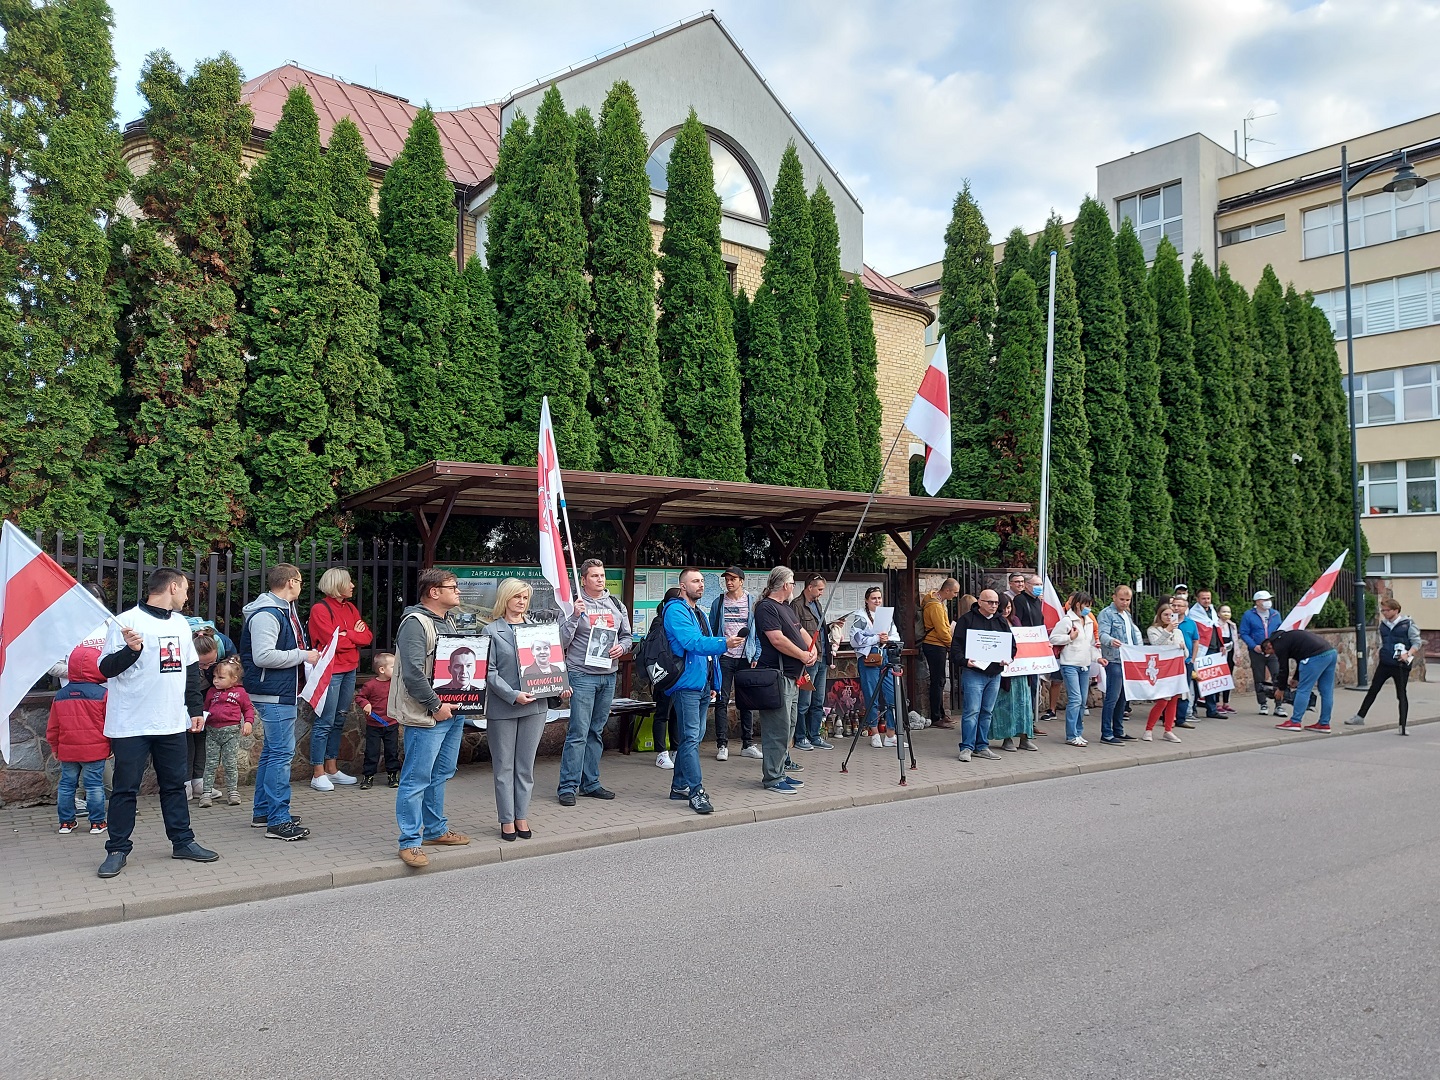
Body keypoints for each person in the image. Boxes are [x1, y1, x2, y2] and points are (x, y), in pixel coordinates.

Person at [96, 568, 220, 878]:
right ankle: (117, 849)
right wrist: (131, 650)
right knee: (125, 789)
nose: (187, 596)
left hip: (171, 721)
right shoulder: (126, 622)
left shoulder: (180, 624)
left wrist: (195, 708)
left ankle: (183, 841)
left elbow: (190, 671)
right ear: (173, 587)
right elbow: (106, 669)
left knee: (175, 786)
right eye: (186, 589)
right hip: (131, 724)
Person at [391, 569, 472, 866]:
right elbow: (413, 673)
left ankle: (436, 830)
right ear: (434, 592)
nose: (458, 591)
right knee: (416, 779)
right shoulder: (415, 623)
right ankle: (410, 842)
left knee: (441, 773)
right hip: (429, 714)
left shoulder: (447, 620)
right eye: (453, 587)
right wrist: (435, 705)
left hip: (452, 711)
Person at [485, 579, 570, 837]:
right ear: (505, 598)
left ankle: (521, 815)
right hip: (504, 707)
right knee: (504, 767)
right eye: (517, 597)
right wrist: (513, 695)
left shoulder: (538, 630)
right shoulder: (491, 631)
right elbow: (489, 672)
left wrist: (560, 686)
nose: (522, 602)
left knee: (525, 766)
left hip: (535, 707)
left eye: (525, 598)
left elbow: (552, 663)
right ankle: (506, 819)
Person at [241, 564, 319, 839]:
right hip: (274, 693)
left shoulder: (281, 610)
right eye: (300, 581)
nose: (301, 586)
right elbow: (263, 656)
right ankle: (278, 821)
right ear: (290, 582)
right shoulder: (268, 614)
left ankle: (264, 812)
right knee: (280, 755)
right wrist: (303, 655)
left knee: (272, 753)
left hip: (278, 691)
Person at [662, 568, 738, 815]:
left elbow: (708, 656)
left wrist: (714, 683)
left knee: (693, 737)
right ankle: (696, 792)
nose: (701, 584)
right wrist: (724, 642)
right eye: (695, 581)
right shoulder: (675, 610)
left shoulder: (699, 612)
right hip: (686, 685)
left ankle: (679, 786)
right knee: (691, 738)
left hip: (702, 684)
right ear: (683, 586)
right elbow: (692, 643)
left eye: (703, 581)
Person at [557, 558, 632, 804]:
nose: (600, 579)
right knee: (578, 732)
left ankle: (590, 783)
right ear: (583, 580)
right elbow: (560, 642)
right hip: (581, 675)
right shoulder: (573, 605)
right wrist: (574, 616)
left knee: (596, 731)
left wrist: (622, 647)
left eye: (602, 575)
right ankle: (568, 786)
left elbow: (627, 636)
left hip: (608, 676)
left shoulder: (616, 604)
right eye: (594, 576)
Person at [306, 568, 373, 792]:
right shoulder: (320, 609)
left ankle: (332, 768)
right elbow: (332, 642)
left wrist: (348, 634)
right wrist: (350, 635)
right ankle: (318, 773)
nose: (353, 585)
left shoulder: (350, 608)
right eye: (349, 582)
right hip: (331, 671)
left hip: (350, 669)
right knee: (325, 721)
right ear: (337, 585)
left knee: (339, 718)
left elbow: (367, 637)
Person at [755, 567, 814, 794]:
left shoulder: (787, 607)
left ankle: (780, 770)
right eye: (793, 582)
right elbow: (777, 640)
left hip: (793, 676)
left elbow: (801, 632)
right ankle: (772, 777)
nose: (794, 586)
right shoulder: (766, 607)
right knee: (776, 728)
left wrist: (812, 650)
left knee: (788, 726)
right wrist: (802, 655)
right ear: (785, 585)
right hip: (777, 676)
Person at [47, 640, 110, 835]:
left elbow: (53, 726)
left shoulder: (60, 695)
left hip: (68, 750)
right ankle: (97, 823)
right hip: (95, 750)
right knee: (94, 786)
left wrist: (54, 747)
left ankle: (66, 823)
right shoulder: (103, 694)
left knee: (66, 786)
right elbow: (109, 723)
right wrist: (112, 746)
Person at [1347, 597, 1423, 734]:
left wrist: (1408, 654)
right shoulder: (1383, 625)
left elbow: (1416, 642)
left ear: (1395, 610)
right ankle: (1360, 717)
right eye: (1383, 610)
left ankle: (1402, 725)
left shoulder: (1408, 624)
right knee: (1373, 689)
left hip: (1400, 664)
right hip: (1385, 663)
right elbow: (1382, 641)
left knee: (1401, 694)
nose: (1384, 613)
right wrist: (1379, 651)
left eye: (1386, 610)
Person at [708, 566, 761, 761]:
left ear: (741, 581)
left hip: (746, 657)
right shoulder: (719, 602)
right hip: (724, 657)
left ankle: (747, 744)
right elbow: (712, 629)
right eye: (727, 579)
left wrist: (756, 655)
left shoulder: (752, 602)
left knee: (746, 701)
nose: (729, 582)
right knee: (721, 700)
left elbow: (757, 631)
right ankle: (722, 744)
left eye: (733, 579)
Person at [956, 589, 1014, 761]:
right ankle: (967, 747)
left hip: (994, 674)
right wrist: (965, 661)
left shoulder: (1001, 621)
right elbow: (956, 646)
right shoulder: (967, 620)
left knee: (987, 711)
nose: (994, 606)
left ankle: (982, 746)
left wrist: (1008, 658)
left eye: (996, 603)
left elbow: (1011, 645)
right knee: (972, 711)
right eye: (990, 602)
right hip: (974, 672)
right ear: (980, 602)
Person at [199, 657, 254, 808]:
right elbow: (205, 708)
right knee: (210, 764)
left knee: (230, 763)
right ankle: (206, 793)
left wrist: (248, 722)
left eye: (221, 677)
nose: (215, 680)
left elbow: (248, 709)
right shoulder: (212, 692)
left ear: (234, 679)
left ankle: (232, 792)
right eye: (215, 677)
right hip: (212, 733)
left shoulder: (240, 693)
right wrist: (201, 720)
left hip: (231, 734)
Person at [1050, 591, 1103, 747]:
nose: (1088, 609)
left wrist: (1098, 658)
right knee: (1075, 699)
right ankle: (1071, 734)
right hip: (1070, 664)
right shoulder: (1067, 620)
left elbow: (1090, 645)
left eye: (1090, 605)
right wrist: (1069, 638)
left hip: (1084, 664)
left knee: (1082, 700)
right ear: (1078, 605)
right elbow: (1053, 638)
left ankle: (1078, 732)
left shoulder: (1089, 622)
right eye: (1086, 605)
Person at [1264, 628, 1338, 732]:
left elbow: (1283, 669)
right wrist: (1296, 678)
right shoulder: (1289, 637)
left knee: (1303, 690)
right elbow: (1300, 656)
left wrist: (1281, 689)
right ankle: (1324, 723)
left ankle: (1295, 721)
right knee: (1327, 691)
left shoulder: (1278, 645)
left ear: (1269, 646)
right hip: (1330, 653)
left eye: (1270, 653)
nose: (1273, 654)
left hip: (1315, 657)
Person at [851, 585, 898, 748]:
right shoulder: (861, 617)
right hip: (869, 658)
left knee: (892, 695)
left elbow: (896, 635)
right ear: (867, 600)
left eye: (879, 598)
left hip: (886, 656)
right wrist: (876, 638)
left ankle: (891, 733)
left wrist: (887, 639)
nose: (877, 601)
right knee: (871, 695)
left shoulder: (886, 615)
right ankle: (874, 732)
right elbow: (855, 640)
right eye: (873, 598)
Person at [791, 574, 833, 751]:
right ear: (810, 587)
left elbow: (818, 630)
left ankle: (815, 736)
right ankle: (800, 737)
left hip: (822, 657)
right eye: (820, 589)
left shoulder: (817, 604)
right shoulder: (797, 605)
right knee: (804, 702)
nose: (822, 592)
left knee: (818, 701)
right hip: (808, 660)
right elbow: (793, 632)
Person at [989, 595, 1036, 752]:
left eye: (1009, 607)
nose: (1006, 611)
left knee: (1024, 705)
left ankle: (1025, 737)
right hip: (1005, 673)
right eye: (1004, 608)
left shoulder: (1016, 621)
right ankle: (1007, 738)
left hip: (1021, 672)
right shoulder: (995, 622)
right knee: (1005, 706)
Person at [1097, 585, 1143, 744]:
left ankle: (1118, 730)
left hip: (1127, 660)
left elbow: (1132, 636)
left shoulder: (1127, 615)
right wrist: (1110, 641)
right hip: (1114, 659)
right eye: (1122, 599)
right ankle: (1106, 733)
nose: (1125, 602)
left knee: (1124, 697)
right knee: (1113, 697)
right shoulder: (1107, 613)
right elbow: (1102, 634)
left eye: (1128, 600)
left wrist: (1137, 651)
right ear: (1114, 597)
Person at [354, 652, 400, 789]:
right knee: (371, 752)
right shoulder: (371, 685)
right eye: (393, 667)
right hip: (374, 724)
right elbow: (359, 697)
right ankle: (368, 776)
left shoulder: (396, 684)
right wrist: (366, 704)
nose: (396, 669)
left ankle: (393, 775)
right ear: (382, 669)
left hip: (391, 724)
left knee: (392, 751)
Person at [920, 577, 959, 728]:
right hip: (935, 645)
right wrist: (951, 645)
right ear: (947, 590)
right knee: (938, 681)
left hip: (937, 644)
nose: (955, 595)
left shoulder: (937, 602)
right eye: (954, 592)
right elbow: (941, 630)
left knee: (940, 680)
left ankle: (941, 714)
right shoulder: (935, 605)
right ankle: (936, 716)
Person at [1143, 602, 1185, 742]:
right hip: (1162, 669)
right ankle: (1149, 729)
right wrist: (1167, 630)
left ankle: (1168, 730)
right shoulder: (1153, 630)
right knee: (1163, 701)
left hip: (1176, 669)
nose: (1168, 617)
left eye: (1171, 615)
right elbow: (1156, 645)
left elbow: (1185, 652)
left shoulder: (1178, 632)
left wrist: (1182, 647)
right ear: (1159, 615)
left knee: (1173, 700)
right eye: (1165, 614)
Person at [1239, 590, 1285, 717]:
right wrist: (1254, 646)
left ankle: (1279, 704)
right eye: (1265, 600)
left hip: (1273, 651)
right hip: (1257, 651)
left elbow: (1280, 630)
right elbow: (1244, 632)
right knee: (1259, 677)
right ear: (1257, 602)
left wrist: (1276, 644)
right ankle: (1263, 703)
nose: (1268, 602)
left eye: (1269, 599)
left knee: (1277, 676)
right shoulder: (1248, 615)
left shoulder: (1275, 614)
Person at [653, 587, 684, 770]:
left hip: (680, 673)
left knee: (676, 714)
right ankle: (661, 753)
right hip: (664, 674)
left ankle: (675, 749)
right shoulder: (660, 621)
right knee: (662, 713)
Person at [1013, 574, 1047, 733]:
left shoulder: (1037, 601)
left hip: (1035, 650)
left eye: (1040, 584)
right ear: (1027, 585)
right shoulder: (1020, 600)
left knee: (1033, 686)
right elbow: (1017, 623)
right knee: (1025, 687)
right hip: (1024, 649)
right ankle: (1022, 723)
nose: (1039, 587)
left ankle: (1030, 722)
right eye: (1036, 584)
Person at [1191, 588, 1225, 719]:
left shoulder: (1212, 611)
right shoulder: (1193, 613)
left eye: (1208, 598)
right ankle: (1192, 708)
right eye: (1203, 598)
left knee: (1211, 681)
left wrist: (1221, 645)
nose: (1206, 601)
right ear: (1197, 599)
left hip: (1214, 648)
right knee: (1197, 680)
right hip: (1201, 649)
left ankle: (1212, 709)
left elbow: (1216, 628)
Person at [1170, 595, 1199, 729]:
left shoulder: (1191, 623)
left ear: (1186, 608)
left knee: (1184, 689)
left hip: (1186, 661)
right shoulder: (1168, 620)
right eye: (1174, 605)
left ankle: (1181, 718)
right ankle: (1167, 717)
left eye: (1179, 606)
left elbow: (1195, 641)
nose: (1176, 608)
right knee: (1169, 689)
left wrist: (1192, 659)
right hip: (1170, 661)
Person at [1216, 605, 1240, 713]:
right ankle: (1216, 702)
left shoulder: (1232, 626)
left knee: (1228, 678)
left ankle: (1226, 702)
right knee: (1217, 679)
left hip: (1230, 654)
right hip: (1218, 654)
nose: (1226, 614)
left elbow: (1235, 641)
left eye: (1228, 611)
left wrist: (1237, 655)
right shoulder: (1215, 625)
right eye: (1224, 611)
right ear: (1218, 613)